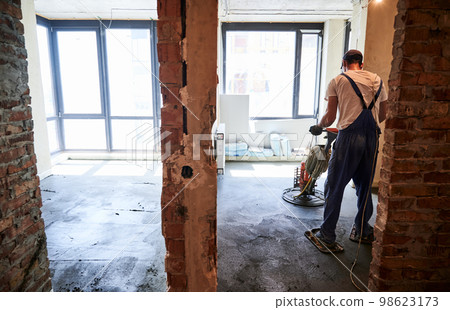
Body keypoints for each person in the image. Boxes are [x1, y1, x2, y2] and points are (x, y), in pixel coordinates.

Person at [309, 49, 388, 250]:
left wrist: (319, 126)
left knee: (334, 186)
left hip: (348, 139)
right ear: (361, 63)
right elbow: (383, 115)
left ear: (344, 62)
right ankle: (362, 230)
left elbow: (330, 117)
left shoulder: (338, 81)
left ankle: (327, 236)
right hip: (372, 139)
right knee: (364, 186)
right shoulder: (378, 80)